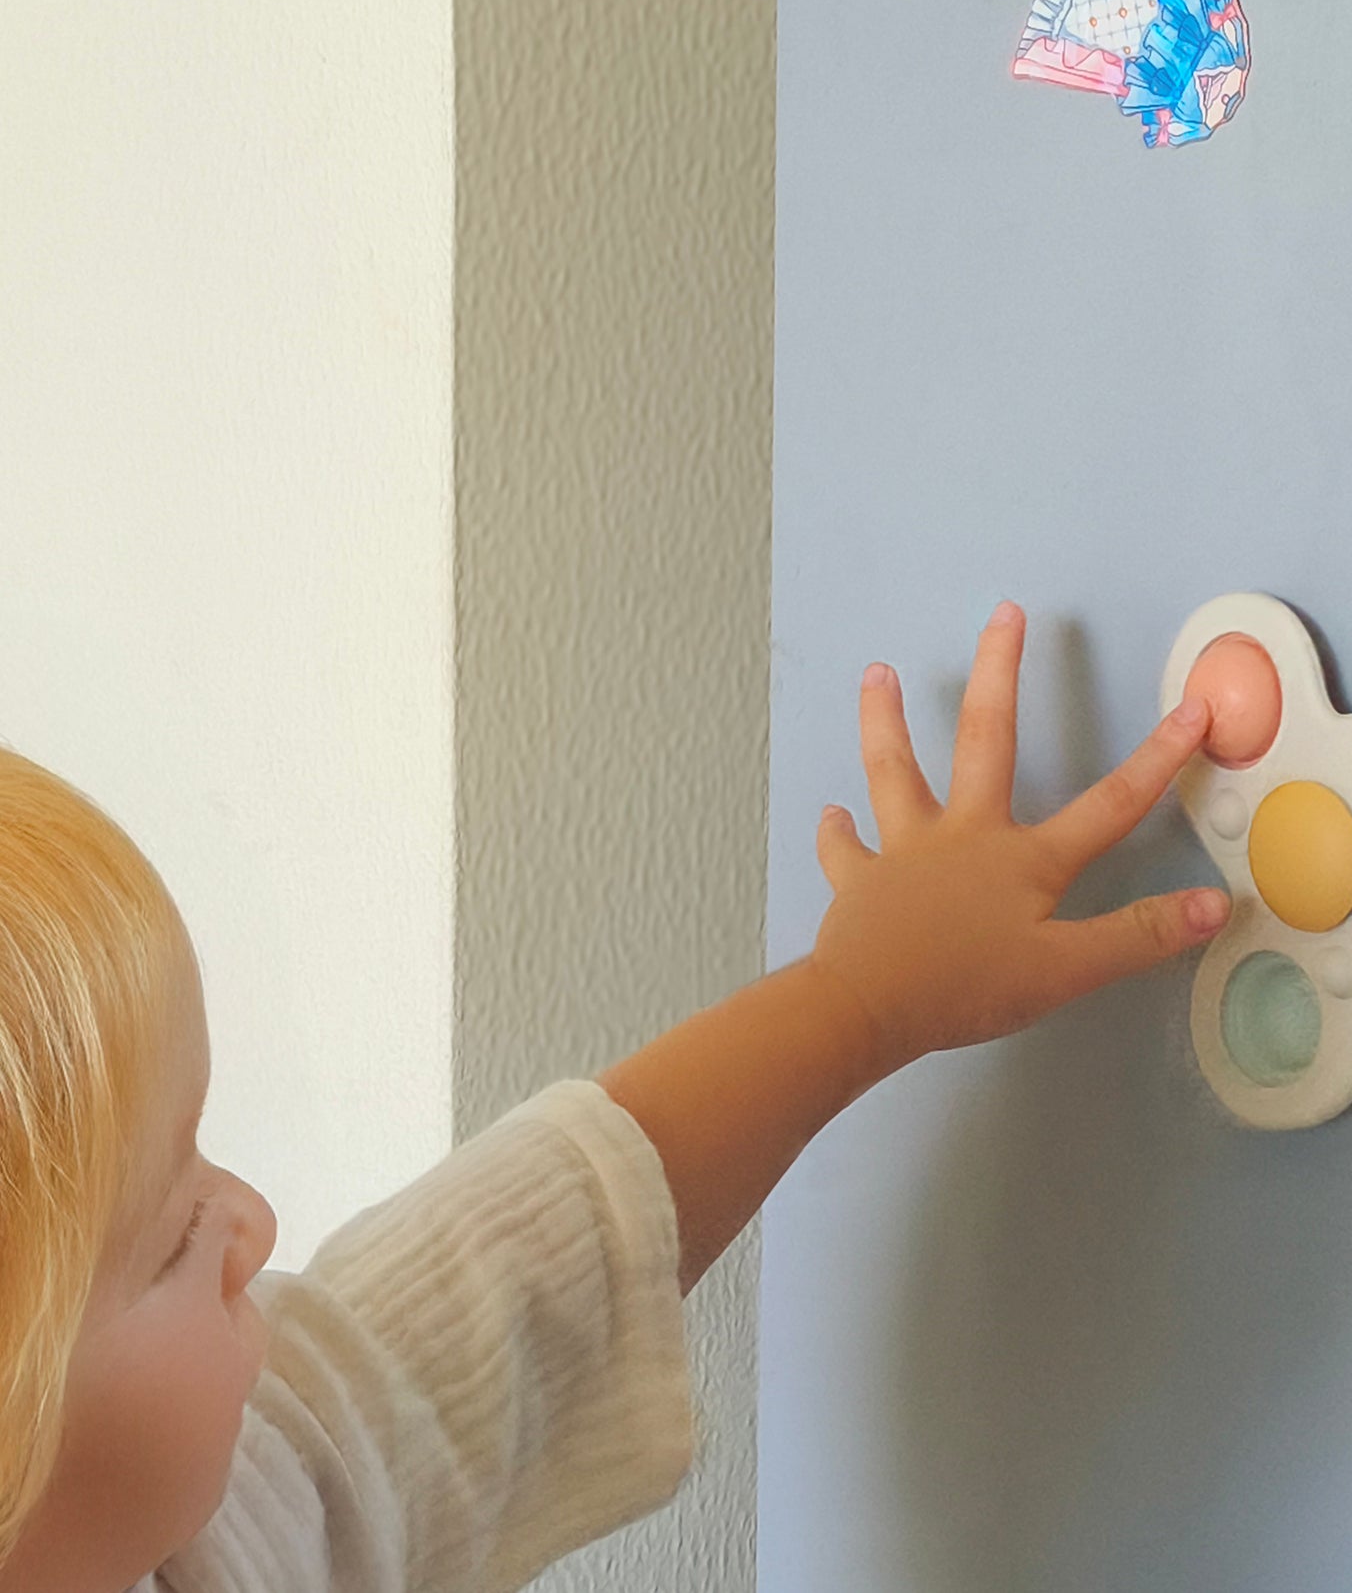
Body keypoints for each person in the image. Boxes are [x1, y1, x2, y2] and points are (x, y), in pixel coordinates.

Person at [0, 600, 1229, 1592]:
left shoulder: (205, 1533)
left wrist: (862, 998)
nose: (250, 1225)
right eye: (168, 1242)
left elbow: (441, 1334)